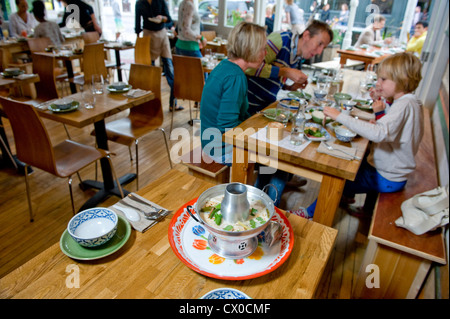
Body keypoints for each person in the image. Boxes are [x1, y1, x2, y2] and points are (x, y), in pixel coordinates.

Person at [293, 52, 424, 219]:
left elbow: (380, 134)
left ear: (403, 80)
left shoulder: (404, 104)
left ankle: (310, 213)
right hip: (392, 171)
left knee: (340, 177)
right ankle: (348, 197)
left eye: (383, 79)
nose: (378, 83)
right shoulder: (409, 101)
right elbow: (390, 128)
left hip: (387, 176)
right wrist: (381, 109)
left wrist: (339, 116)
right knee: (356, 161)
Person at [246, 20, 333, 115]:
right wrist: (285, 72)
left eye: (323, 48)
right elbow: (250, 68)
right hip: (248, 108)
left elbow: (271, 78)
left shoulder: (296, 55)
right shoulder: (280, 40)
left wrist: (289, 87)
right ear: (306, 35)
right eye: (320, 44)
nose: (319, 52)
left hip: (265, 108)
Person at [135, 0, 181, 111]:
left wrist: (162, 18)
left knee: (170, 69)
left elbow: (168, 19)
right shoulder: (140, 3)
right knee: (149, 73)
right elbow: (137, 22)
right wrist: (138, 40)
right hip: (147, 36)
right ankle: (149, 105)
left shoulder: (161, 1)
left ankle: (173, 103)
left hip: (162, 35)